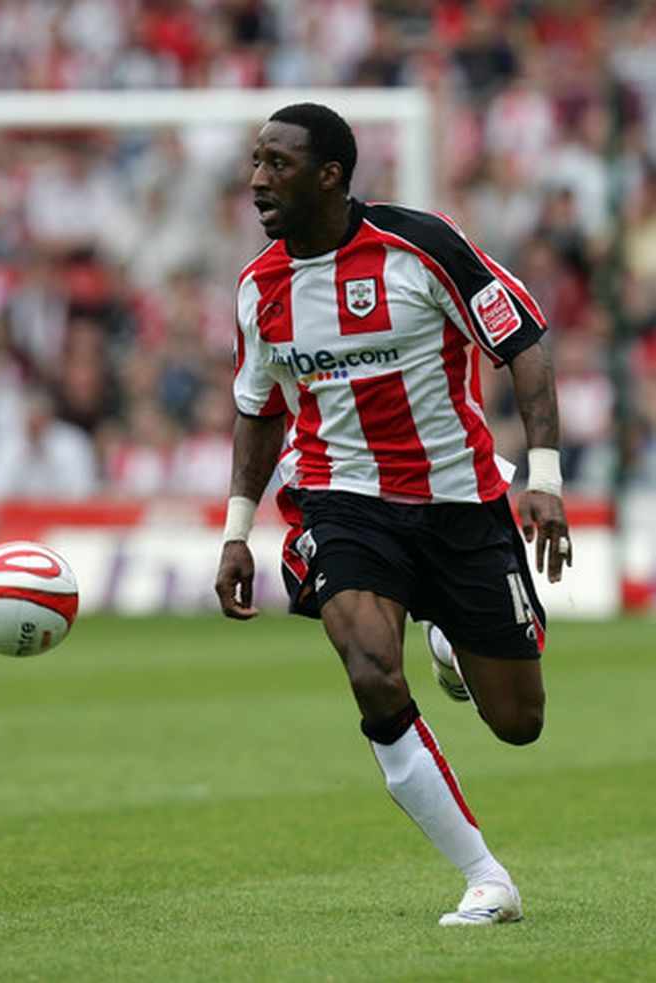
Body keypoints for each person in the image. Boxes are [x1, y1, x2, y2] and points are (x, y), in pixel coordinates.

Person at [214, 103, 572, 926]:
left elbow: (520, 341)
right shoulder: (258, 287)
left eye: (277, 164)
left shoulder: (421, 246)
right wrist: (236, 530)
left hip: (459, 503)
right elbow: (258, 409)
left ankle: (447, 633)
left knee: (518, 722)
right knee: (372, 670)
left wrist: (545, 477)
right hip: (341, 503)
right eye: (255, 162)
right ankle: (485, 877)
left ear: (329, 176)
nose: (257, 180)